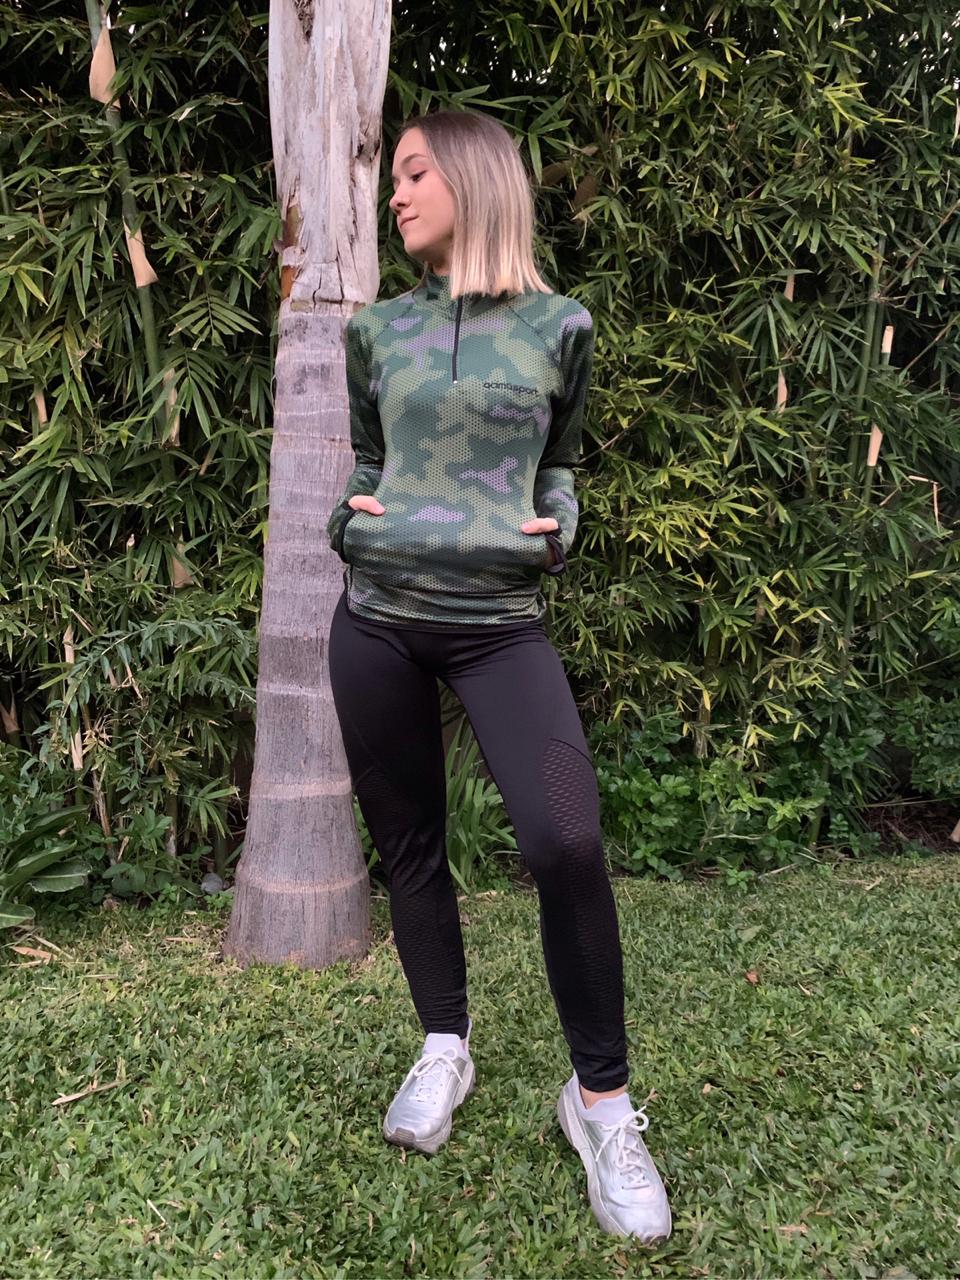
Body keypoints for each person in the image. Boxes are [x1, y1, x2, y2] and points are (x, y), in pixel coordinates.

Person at [325, 108, 671, 1244]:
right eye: (395, 176)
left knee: (565, 839)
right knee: (411, 846)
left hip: (498, 626)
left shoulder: (560, 326)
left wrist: (558, 528)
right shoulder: (376, 329)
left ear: (474, 180)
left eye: (414, 172)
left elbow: (559, 463)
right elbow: (367, 460)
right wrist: (347, 522)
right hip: (377, 623)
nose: (396, 193)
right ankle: (444, 1044)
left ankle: (600, 1104)